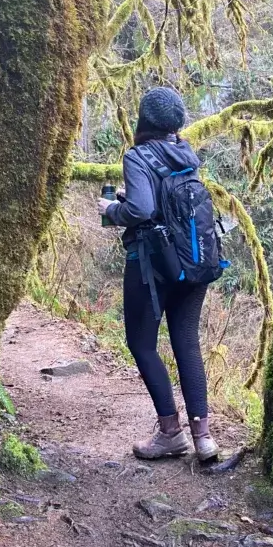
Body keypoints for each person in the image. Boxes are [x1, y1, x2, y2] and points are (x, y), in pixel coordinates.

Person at [97, 86, 219, 462]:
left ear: (144, 120)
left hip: (151, 264)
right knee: (186, 341)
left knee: (143, 343)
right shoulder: (186, 154)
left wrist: (111, 209)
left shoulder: (138, 155)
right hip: (194, 259)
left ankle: (170, 433)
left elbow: (142, 208)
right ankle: (204, 438)